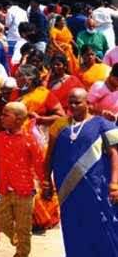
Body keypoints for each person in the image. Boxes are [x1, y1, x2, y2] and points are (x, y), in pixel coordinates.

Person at [43, 88, 118, 256]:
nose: (73, 105)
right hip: (68, 192)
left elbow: (115, 154)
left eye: (77, 102)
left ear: (88, 104)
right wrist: (46, 180)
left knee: (102, 230)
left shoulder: (102, 124)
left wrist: (115, 184)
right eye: (70, 102)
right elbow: (49, 156)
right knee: (73, 231)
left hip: (95, 189)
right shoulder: (59, 125)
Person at [0, 102, 43, 257]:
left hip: (25, 191)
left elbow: (39, 163)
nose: (1, 118)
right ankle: (18, 240)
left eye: (6, 115)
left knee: (24, 227)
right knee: (1, 221)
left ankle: (22, 252)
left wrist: (45, 184)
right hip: (3, 190)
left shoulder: (30, 139)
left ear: (19, 119)